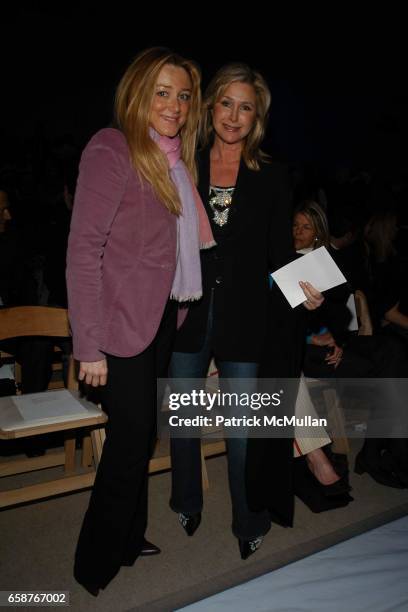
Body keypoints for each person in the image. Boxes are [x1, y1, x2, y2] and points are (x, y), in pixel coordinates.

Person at [66, 47, 213, 595]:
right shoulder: (112, 148)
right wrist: (88, 345)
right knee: (128, 444)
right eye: (162, 92)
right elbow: (84, 250)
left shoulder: (174, 161)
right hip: (117, 330)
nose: (174, 105)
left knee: (141, 437)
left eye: (182, 95)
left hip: (158, 323)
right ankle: (94, 561)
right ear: (137, 93)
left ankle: (128, 536)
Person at [169, 63, 323, 560]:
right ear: (210, 105)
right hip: (185, 312)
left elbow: (280, 253)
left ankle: (249, 518)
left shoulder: (273, 175)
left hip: (246, 317)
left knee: (243, 429)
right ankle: (186, 499)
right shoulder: (181, 161)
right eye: (226, 103)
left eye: (246, 107)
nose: (234, 116)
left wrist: (307, 290)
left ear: (257, 118)